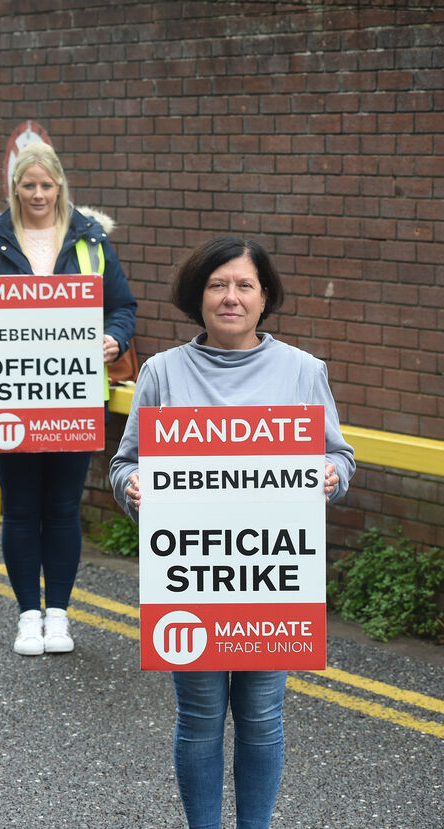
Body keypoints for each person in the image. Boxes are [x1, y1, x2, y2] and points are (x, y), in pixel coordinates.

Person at [109, 236, 355, 829]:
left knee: (262, 716)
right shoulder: (163, 372)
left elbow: (340, 458)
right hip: (191, 580)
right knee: (198, 717)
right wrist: (134, 488)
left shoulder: (302, 371)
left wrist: (328, 474)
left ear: (264, 296)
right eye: (218, 284)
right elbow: (125, 463)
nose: (231, 296)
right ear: (198, 294)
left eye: (244, 285)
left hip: (270, 581)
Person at [0, 140, 137, 656]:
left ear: (60, 186)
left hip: (74, 400)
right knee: (20, 509)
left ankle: (60, 616)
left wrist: (114, 338)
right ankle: (27, 615)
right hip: (11, 400)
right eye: (27, 186)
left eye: (45, 186)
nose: (37, 194)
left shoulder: (91, 242)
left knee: (61, 509)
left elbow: (122, 307)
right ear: (14, 187)